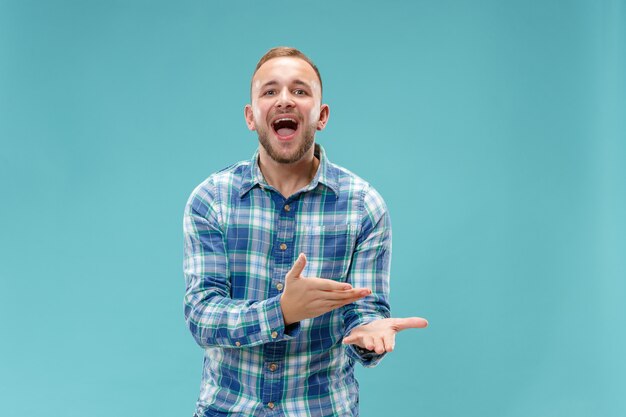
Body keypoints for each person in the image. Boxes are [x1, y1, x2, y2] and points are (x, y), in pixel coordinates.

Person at [183, 46, 428, 417]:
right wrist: (281, 312)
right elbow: (203, 316)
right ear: (251, 117)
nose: (285, 100)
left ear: (321, 115)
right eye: (270, 91)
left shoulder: (363, 206)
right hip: (228, 409)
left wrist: (370, 334)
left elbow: (363, 311)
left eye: (300, 91)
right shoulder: (211, 200)